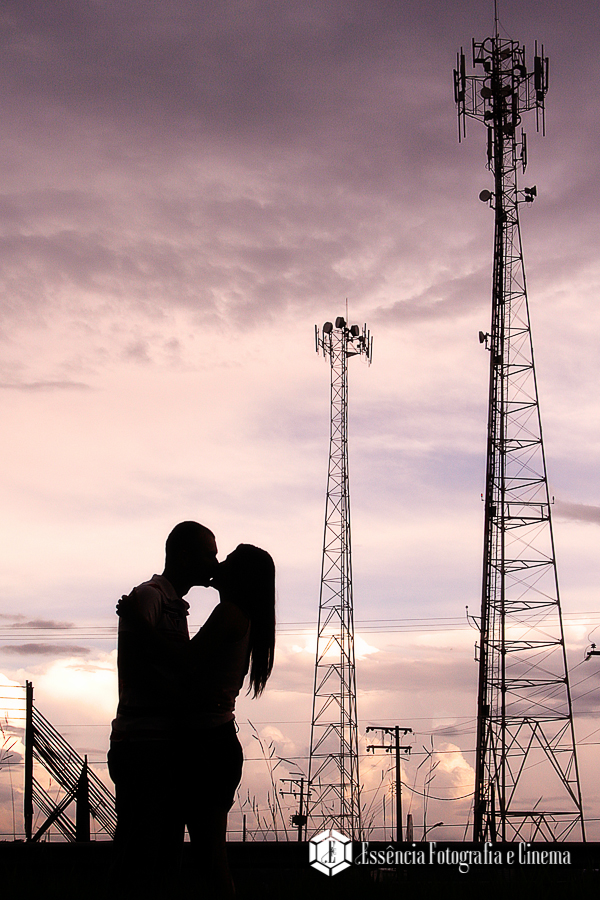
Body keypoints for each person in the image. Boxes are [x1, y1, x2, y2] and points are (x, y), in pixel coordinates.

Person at [107, 521, 218, 895]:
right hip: (143, 743)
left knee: (160, 850)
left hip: (160, 745)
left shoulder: (170, 605)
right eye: (208, 553)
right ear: (184, 555)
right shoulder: (151, 597)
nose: (213, 562)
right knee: (144, 850)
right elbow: (140, 666)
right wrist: (185, 697)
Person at [185, 543, 276, 898]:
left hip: (206, 745)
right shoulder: (242, 618)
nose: (219, 564)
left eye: (228, 561)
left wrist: (141, 626)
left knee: (210, 860)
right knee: (210, 858)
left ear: (239, 576)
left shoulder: (229, 615)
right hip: (217, 742)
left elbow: (183, 661)